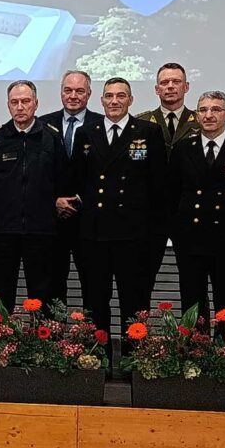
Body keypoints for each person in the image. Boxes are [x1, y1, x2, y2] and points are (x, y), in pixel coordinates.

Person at [71, 78, 166, 368]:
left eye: (121, 96)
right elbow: (78, 179)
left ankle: (133, 360)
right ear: (101, 100)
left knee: (134, 301)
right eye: (109, 96)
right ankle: (96, 359)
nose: (114, 101)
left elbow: (159, 185)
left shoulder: (148, 132)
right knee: (95, 300)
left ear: (130, 100)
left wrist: (154, 232)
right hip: (95, 232)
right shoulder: (87, 131)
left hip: (133, 233)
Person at [169, 91, 225, 324]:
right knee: (192, 301)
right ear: (196, 115)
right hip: (190, 237)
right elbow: (172, 191)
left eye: (216, 109)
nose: (209, 115)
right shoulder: (183, 148)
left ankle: (224, 346)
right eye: (203, 110)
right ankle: (194, 346)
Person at [0, 80, 73, 312]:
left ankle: (43, 337)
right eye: (15, 102)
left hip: (41, 230)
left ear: (36, 103)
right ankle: (2, 335)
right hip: (4, 231)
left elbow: (63, 181)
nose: (20, 107)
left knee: (43, 293)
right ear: (8, 106)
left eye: (25, 101)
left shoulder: (51, 138)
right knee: (1, 293)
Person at [39, 70, 102, 307]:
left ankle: (90, 330)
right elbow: (37, 174)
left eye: (79, 91)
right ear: (61, 92)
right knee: (52, 285)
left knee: (93, 284)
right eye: (68, 90)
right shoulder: (42, 124)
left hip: (89, 219)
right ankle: (53, 331)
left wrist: (82, 199)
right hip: (52, 219)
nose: (73, 96)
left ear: (89, 94)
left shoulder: (101, 124)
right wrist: (53, 201)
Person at [137, 62, 200, 291]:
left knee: (194, 279)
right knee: (142, 276)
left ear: (186, 87)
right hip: (150, 210)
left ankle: (195, 318)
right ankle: (139, 317)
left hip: (188, 209)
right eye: (164, 82)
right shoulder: (141, 122)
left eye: (176, 82)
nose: (170, 86)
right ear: (157, 89)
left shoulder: (201, 121)